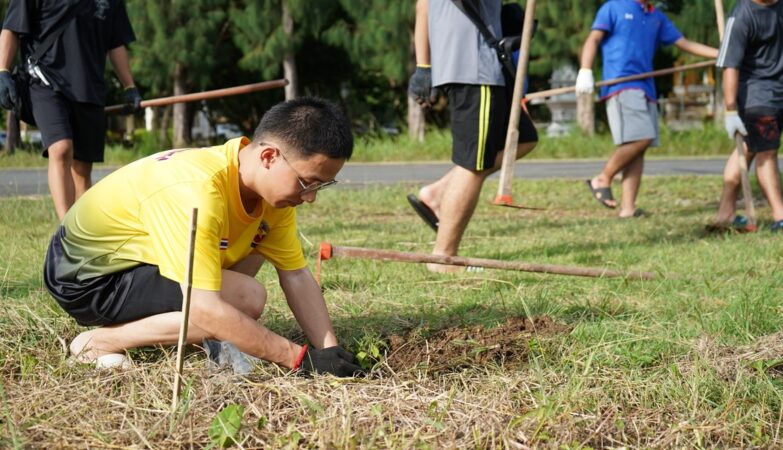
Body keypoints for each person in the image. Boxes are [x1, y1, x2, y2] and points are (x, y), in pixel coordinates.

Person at [42, 97, 363, 377]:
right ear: (269, 157)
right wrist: (299, 359)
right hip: (87, 275)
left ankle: (210, 335)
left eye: (320, 187)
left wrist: (329, 352)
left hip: (136, 262)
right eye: (308, 183)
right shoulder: (198, 190)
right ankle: (97, 343)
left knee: (257, 246)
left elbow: (295, 275)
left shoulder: (270, 197)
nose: (310, 198)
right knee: (246, 298)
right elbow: (205, 307)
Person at [407, 0, 538, 273]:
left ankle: (438, 192)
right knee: (474, 165)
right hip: (476, 68)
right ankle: (444, 258)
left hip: (484, 65)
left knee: (524, 139)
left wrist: (424, 64)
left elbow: (423, 6)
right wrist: (424, 67)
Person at [0, 0, 143, 220]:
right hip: (44, 81)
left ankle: (80, 234)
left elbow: (116, 44)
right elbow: (12, 28)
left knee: (82, 170)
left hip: (89, 89)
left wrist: (129, 86)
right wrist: (3, 70)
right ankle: (65, 233)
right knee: (61, 148)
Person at [577, 0, 718, 218]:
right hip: (621, 84)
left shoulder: (656, 17)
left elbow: (684, 43)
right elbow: (593, 39)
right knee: (641, 138)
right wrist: (585, 70)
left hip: (646, 86)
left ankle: (628, 208)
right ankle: (603, 178)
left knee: (639, 146)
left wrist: (720, 54)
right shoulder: (614, 7)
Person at [712, 0, 783, 231]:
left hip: (778, 89)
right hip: (758, 96)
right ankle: (779, 216)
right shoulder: (742, 15)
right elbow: (730, 65)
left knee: (748, 149)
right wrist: (731, 109)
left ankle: (725, 214)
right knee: (767, 152)